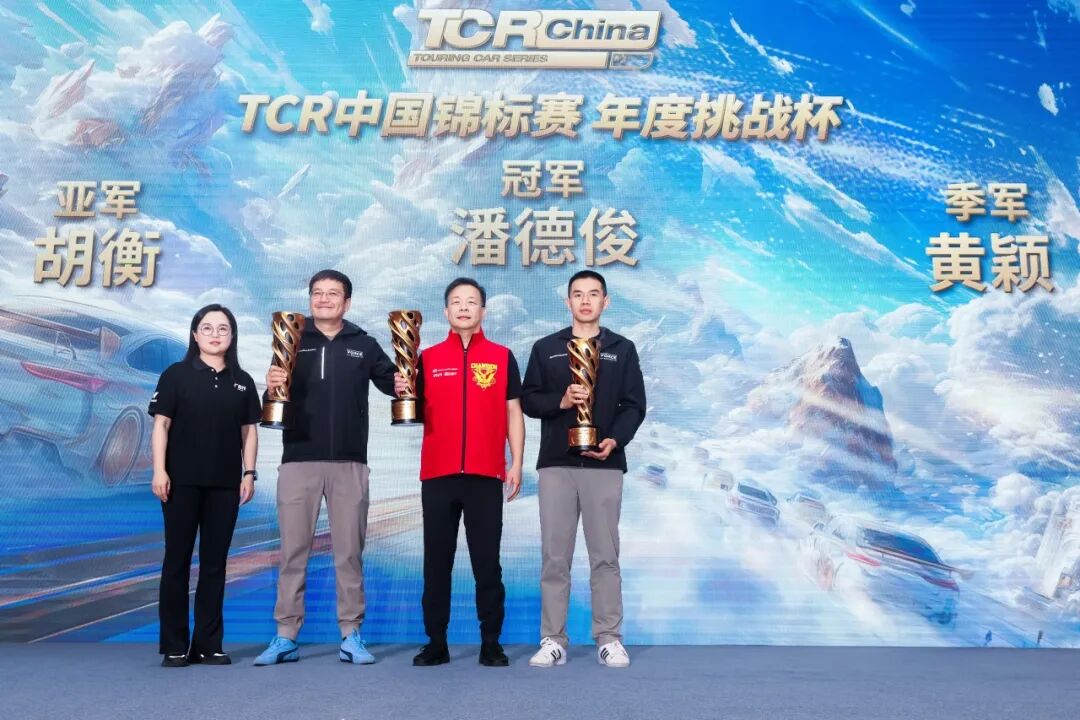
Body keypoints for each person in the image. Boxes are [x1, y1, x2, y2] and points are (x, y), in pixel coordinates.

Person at [254, 269, 398, 666]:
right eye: (317, 292)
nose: (324, 299)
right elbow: (274, 399)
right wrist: (270, 384)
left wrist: (406, 383)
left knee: (349, 553)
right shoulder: (291, 338)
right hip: (298, 460)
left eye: (333, 293)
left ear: (346, 302)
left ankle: (351, 634)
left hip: (350, 463)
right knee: (292, 552)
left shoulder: (364, 344)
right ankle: (285, 636)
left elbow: (394, 384)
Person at [520, 270, 646, 668]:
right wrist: (559, 401)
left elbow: (634, 405)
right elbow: (528, 400)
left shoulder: (622, 349)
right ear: (568, 302)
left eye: (593, 294)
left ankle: (609, 637)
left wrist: (615, 440)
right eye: (578, 294)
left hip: (604, 464)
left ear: (606, 302)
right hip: (557, 464)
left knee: (605, 555)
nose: (586, 300)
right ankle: (553, 639)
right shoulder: (546, 348)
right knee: (555, 556)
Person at [396, 277, 524, 667]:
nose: (464, 307)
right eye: (456, 301)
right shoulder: (427, 359)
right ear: (446, 311)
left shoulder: (502, 357)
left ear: (483, 310)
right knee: (437, 562)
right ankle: (436, 642)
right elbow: (411, 406)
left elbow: (513, 412)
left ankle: (491, 643)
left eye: (471, 301)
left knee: (487, 563)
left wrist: (516, 462)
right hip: (438, 475)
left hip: (486, 475)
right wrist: (403, 385)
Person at [149, 303, 261, 667]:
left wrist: (249, 473)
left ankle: (208, 644)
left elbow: (249, 431)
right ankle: (174, 645)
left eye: (223, 329)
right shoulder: (176, 375)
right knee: (177, 562)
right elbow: (161, 425)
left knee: (215, 564)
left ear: (232, 336)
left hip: (225, 486)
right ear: (195, 334)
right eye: (208, 328)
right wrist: (159, 471)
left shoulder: (242, 381)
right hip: (179, 483)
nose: (215, 334)